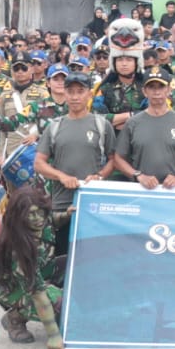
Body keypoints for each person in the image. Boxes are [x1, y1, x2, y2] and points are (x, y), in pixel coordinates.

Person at [34, 70, 117, 276]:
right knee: (65, 264)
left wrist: (99, 176)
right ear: (65, 93)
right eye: (71, 92)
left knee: (94, 263)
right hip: (62, 206)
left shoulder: (101, 125)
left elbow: (114, 160)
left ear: (89, 94)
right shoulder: (54, 127)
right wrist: (61, 176)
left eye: (80, 91)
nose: (75, 96)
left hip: (93, 205)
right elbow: (39, 163)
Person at [0, 183, 64, 349]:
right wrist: (53, 336)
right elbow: (39, 295)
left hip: (44, 270)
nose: (38, 218)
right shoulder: (17, 249)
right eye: (31, 215)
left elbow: (54, 219)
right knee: (59, 302)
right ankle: (14, 318)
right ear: (19, 217)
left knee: (76, 269)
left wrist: (68, 214)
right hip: (13, 288)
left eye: (40, 212)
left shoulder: (44, 220)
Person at [113, 71, 175, 189]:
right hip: (141, 190)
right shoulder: (133, 123)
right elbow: (118, 158)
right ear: (144, 91)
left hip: (173, 190)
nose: (156, 92)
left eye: (161, 87)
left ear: (168, 90)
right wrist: (138, 175)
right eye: (151, 87)